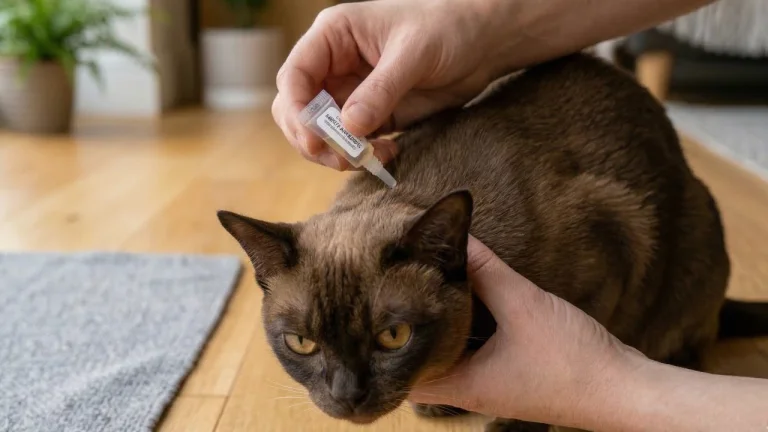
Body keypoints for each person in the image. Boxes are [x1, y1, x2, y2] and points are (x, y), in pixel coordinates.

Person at [272, 0, 768, 430]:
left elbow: (614, 237)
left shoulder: (527, 244)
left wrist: (552, 402)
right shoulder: (376, 219)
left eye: (392, 336)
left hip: (663, 302)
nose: (344, 394)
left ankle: (680, 342)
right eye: (301, 343)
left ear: (445, 256)